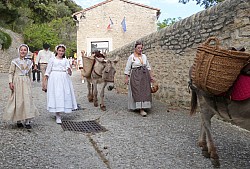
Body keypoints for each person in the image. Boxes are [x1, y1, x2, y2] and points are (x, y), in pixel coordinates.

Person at [3, 44, 39, 129]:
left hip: (26, 82)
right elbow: (11, 73)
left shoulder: (29, 62)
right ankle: (18, 120)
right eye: (21, 50)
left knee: (27, 100)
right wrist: (10, 82)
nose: (23, 51)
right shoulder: (14, 61)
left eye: (25, 50)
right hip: (17, 82)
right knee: (18, 100)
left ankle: (27, 120)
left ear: (27, 51)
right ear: (19, 51)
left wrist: (30, 83)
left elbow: (30, 74)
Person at [44, 44, 77, 124]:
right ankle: (57, 114)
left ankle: (61, 110)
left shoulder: (65, 60)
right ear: (56, 51)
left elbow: (69, 73)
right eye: (59, 50)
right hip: (54, 78)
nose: (61, 52)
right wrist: (44, 82)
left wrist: (69, 70)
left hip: (64, 79)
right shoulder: (52, 59)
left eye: (62, 51)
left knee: (63, 94)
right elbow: (47, 71)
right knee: (56, 94)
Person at [124, 41, 154, 117]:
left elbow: (148, 67)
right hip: (135, 76)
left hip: (144, 75)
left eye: (141, 48)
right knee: (137, 91)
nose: (140, 49)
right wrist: (126, 78)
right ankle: (140, 108)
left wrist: (151, 77)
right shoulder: (131, 57)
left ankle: (144, 107)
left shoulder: (144, 56)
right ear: (135, 48)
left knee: (145, 90)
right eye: (138, 48)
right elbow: (127, 68)